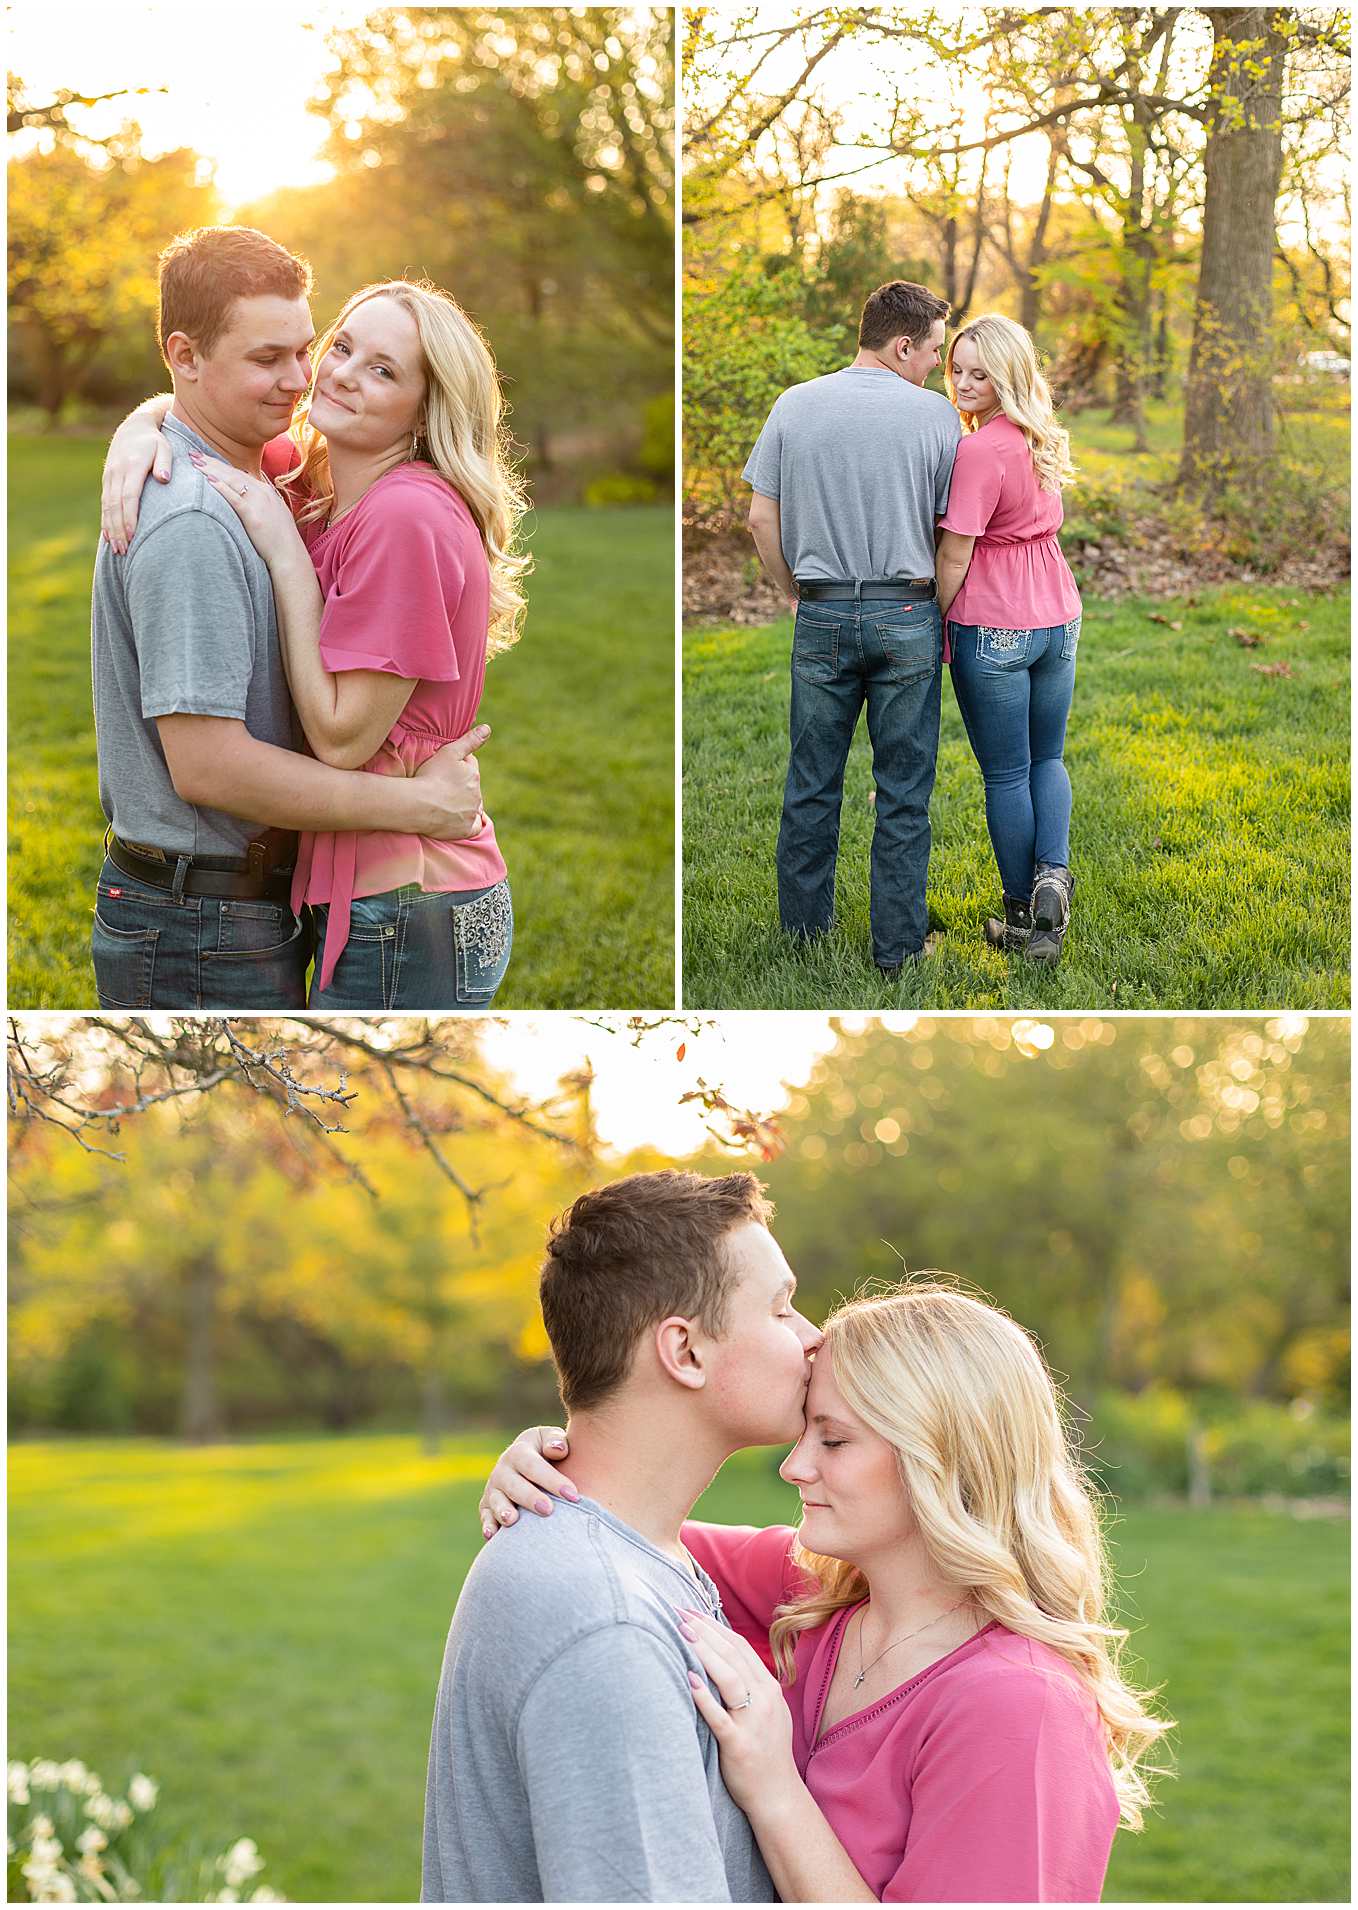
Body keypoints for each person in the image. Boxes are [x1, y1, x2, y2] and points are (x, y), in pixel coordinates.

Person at [482, 1284, 1173, 1902]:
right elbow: (623, 1524)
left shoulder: (1017, 1706)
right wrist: (553, 1464)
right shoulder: (812, 1594)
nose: (794, 1465)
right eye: (807, 1428)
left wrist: (774, 1788)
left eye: (834, 1441)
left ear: (945, 1460)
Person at [103, 263, 525, 1009]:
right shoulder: (322, 485)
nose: (335, 375)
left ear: (425, 411)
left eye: (384, 370)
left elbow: (341, 739)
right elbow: (199, 407)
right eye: (341, 347)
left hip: (410, 899)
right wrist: (136, 432)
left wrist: (287, 560)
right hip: (378, 890)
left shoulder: (404, 516)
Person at [421, 1169, 823, 1903]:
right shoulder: (607, 1622)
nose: (811, 1336)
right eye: (780, 1308)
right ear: (685, 1352)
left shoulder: (635, 1557)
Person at [743, 280, 962, 978]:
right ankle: (897, 949)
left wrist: (796, 593)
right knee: (903, 790)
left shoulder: (794, 404)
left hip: (823, 611)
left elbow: (760, 519)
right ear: (902, 345)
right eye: (932, 351)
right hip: (907, 612)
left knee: (811, 781)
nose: (937, 366)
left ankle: (804, 940)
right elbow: (949, 530)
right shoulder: (936, 418)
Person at [935, 314, 1084, 964]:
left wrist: (933, 622)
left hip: (994, 623)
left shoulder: (979, 451)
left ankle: (1024, 918)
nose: (964, 384)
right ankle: (1054, 876)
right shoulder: (1040, 435)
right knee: (1048, 759)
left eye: (980, 374)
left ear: (1006, 376)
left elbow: (954, 556)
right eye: (957, 370)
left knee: (1006, 774)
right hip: (1058, 617)